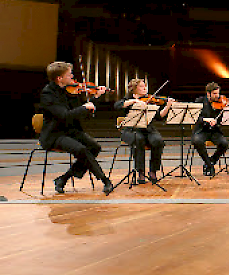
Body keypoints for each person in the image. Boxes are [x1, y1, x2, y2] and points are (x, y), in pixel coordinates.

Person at [39, 61, 113, 195]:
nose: (73, 77)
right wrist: (84, 107)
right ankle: (105, 180)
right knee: (81, 150)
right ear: (59, 78)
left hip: (70, 131)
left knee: (95, 147)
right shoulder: (48, 94)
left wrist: (96, 97)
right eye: (69, 75)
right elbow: (65, 116)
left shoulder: (69, 91)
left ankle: (63, 179)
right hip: (54, 134)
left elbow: (82, 112)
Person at [114, 79, 174, 184]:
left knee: (158, 141)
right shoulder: (128, 99)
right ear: (134, 89)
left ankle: (153, 171)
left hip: (147, 129)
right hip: (131, 130)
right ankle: (140, 172)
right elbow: (117, 105)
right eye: (142, 86)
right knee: (138, 140)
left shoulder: (149, 100)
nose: (145, 88)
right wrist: (134, 101)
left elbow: (159, 116)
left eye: (145, 86)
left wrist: (168, 105)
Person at [192, 82, 229, 176]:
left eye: (218, 93)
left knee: (224, 144)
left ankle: (211, 161)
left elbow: (222, 120)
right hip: (202, 130)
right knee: (197, 141)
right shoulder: (199, 101)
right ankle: (209, 164)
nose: (217, 96)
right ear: (208, 93)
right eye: (215, 93)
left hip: (214, 131)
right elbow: (194, 117)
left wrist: (224, 113)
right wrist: (205, 119)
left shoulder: (220, 103)